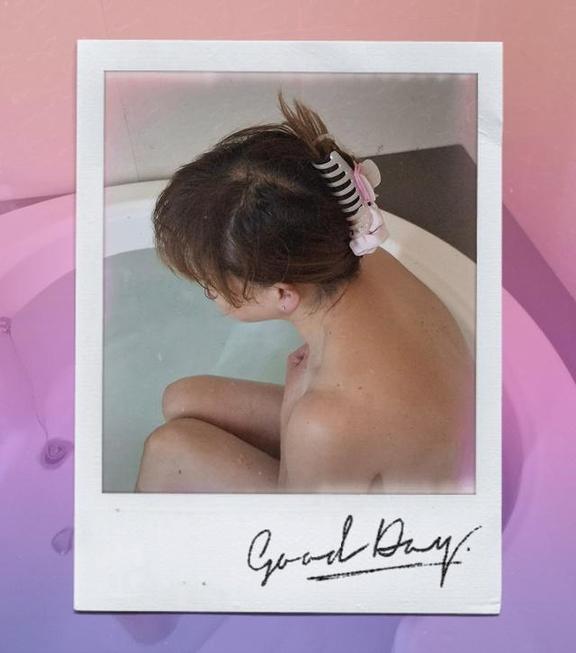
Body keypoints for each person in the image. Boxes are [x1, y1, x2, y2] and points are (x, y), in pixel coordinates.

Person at [134, 91, 475, 494]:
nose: (210, 293)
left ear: (283, 294)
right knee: (182, 398)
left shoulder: (322, 421)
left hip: (385, 509)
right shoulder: (352, 250)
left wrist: (295, 406)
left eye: (213, 288)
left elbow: (300, 529)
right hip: (401, 432)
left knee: (167, 449)